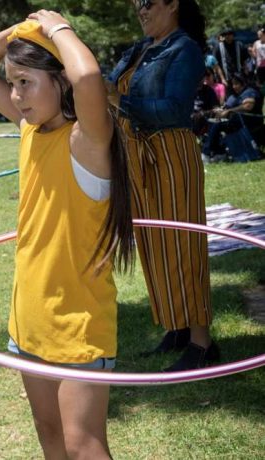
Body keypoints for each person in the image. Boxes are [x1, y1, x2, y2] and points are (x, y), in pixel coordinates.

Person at [0, 11, 134, 459]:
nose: (16, 96)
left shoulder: (87, 142)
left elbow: (90, 77)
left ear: (60, 81)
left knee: (83, 446)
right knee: (50, 436)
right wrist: (18, 31)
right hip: (29, 317)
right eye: (12, 83)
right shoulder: (30, 130)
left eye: (25, 82)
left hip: (77, 322)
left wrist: (57, 29)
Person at [108, 0, 219, 371]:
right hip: (136, 156)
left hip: (169, 155)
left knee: (183, 245)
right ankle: (177, 326)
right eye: (136, 4)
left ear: (173, 5)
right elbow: (108, 87)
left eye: (147, 3)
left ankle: (202, 343)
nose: (140, 9)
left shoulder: (183, 48)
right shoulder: (141, 49)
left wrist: (118, 99)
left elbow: (174, 109)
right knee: (155, 245)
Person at [202, 72, 263, 161]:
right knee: (213, 121)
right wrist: (222, 110)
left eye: (236, 84)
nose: (234, 86)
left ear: (243, 83)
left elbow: (248, 106)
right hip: (237, 122)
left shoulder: (250, 91)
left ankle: (206, 153)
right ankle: (219, 152)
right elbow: (228, 106)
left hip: (249, 123)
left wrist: (229, 111)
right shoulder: (236, 95)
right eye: (233, 84)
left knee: (218, 124)